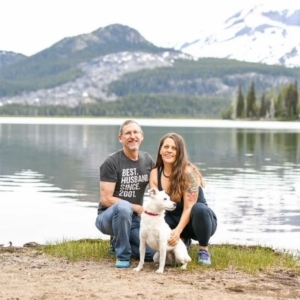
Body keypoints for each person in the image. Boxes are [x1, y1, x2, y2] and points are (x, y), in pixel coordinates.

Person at [149, 132, 217, 266]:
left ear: (180, 152)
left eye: (174, 148)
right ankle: (182, 241)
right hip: (172, 220)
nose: (169, 150)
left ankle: (203, 250)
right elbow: (157, 205)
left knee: (199, 209)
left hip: (198, 222)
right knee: (154, 255)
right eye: (166, 147)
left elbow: (188, 208)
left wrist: (177, 230)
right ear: (160, 150)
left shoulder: (188, 173)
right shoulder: (154, 174)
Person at [95, 119, 155, 268]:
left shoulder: (147, 160)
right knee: (123, 207)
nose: (132, 136)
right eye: (128, 133)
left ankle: (118, 242)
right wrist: (136, 207)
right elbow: (106, 199)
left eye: (136, 132)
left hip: (134, 221)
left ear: (142, 136)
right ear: (120, 138)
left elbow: (158, 188)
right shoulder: (111, 162)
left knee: (153, 255)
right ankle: (123, 256)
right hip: (108, 218)